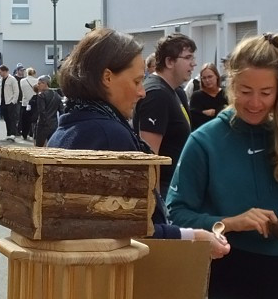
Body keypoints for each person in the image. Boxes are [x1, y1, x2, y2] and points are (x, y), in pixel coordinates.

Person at [169, 33, 278, 299]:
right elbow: (176, 214)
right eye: (245, 90)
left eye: (266, 93)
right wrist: (230, 223)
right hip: (219, 273)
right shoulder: (205, 141)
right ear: (231, 84)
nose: (254, 103)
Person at [47, 28, 229, 255]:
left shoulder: (71, 125)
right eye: (136, 81)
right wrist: (195, 237)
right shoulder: (109, 134)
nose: (142, 92)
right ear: (107, 78)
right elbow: (135, 229)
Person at [135, 33, 196, 194]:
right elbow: (150, 156)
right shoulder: (156, 94)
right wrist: (156, 204)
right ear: (169, 61)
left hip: (177, 187)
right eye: (188, 58)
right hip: (163, 191)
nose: (193, 64)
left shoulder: (177, 92)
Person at [188, 62, 227, 130]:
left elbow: (230, 112)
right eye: (204, 78)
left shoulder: (226, 93)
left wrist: (215, 112)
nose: (207, 80)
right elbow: (194, 117)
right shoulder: (197, 96)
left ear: (217, 76)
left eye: (210, 77)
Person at [33, 75, 63, 146]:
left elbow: (41, 111)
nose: (38, 85)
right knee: (52, 146)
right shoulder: (57, 95)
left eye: (39, 83)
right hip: (54, 124)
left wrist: (42, 122)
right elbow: (61, 111)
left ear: (45, 83)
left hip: (43, 124)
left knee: (39, 146)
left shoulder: (41, 96)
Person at [0, 64, 21, 141]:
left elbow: (16, 91)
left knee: (12, 118)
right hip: (3, 102)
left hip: (10, 102)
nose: (0, 74)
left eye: (1, 72)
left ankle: (13, 133)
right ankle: (8, 133)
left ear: (5, 71)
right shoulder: (1, 80)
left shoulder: (12, 79)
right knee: (6, 118)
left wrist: (13, 101)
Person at [19, 66, 38, 141]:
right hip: (34, 102)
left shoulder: (22, 81)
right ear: (34, 73)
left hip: (25, 102)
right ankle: (32, 133)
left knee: (25, 120)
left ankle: (24, 134)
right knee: (34, 118)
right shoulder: (37, 81)